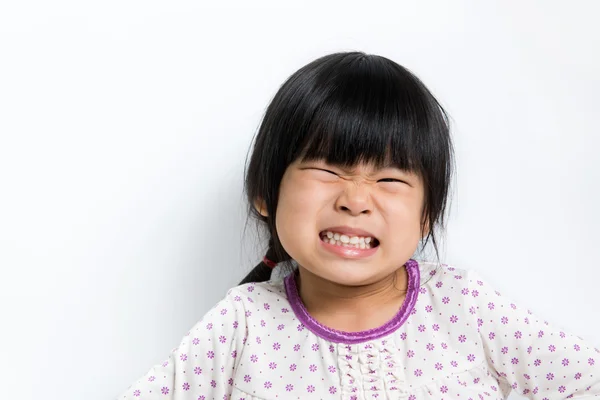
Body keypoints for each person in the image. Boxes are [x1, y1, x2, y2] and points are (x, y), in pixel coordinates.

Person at [117, 51, 600, 399]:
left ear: (426, 214)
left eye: (389, 178)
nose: (355, 199)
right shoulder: (243, 325)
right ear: (266, 193)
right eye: (328, 170)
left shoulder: (463, 307)